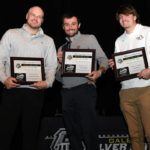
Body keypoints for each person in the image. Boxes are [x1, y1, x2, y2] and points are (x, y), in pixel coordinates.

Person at [0, 6, 57, 150]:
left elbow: (51, 66)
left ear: (42, 20)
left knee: (31, 135)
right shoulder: (10, 34)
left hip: (35, 92)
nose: (35, 18)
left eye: (39, 16)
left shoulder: (48, 41)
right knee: (4, 133)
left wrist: (48, 82)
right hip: (12, 90)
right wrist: (4, 79)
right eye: (33, 14)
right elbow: (0, 60)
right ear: (26, 15)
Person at [56, 13, 108, 150]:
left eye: (73, 24)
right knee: (72, 133)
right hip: (66, 92)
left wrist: (99, 72)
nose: (70, 27)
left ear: (79, 25)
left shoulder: (89, 39)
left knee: (89, 130)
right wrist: (60, 63)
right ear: (63, 27)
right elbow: (58, 78)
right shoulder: (61, 49)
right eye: (66, 24)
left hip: (84, 88)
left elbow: (103, 60)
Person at [108, 4, 150, 150]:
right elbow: (121, 67)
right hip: (126, 91)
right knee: (134, 135)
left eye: (126, 15)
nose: (123, 19)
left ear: (134, 16)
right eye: (120, 17)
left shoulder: (147, 32)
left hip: (146, 88)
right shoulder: (119, 40)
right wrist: (115, 65)